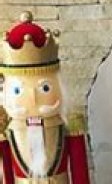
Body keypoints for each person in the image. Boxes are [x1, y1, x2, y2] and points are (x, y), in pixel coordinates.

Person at [0, 12, 91, 183]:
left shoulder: (70, 127)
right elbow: (6, 172)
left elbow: (79, 170)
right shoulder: (6, 133)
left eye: (45, 88)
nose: (33, 97)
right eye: (18, 90)